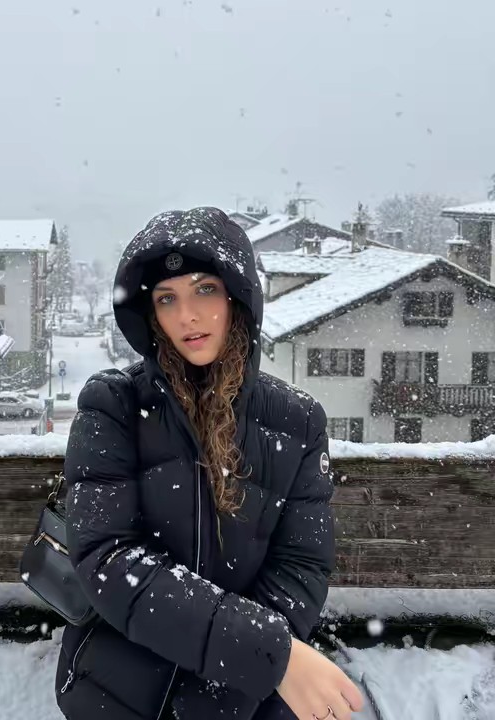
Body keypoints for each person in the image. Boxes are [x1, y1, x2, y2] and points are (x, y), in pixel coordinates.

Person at [56, 207, 364, 720]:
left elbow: (301, 565)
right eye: (166, 298)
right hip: (115, 686)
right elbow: (107, 558)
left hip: (244, 698)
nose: (187, 316)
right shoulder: (113, 405)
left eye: (204, 290)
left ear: (237, 297)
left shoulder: (297, 421)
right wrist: (267, 653)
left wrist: (237, 677)